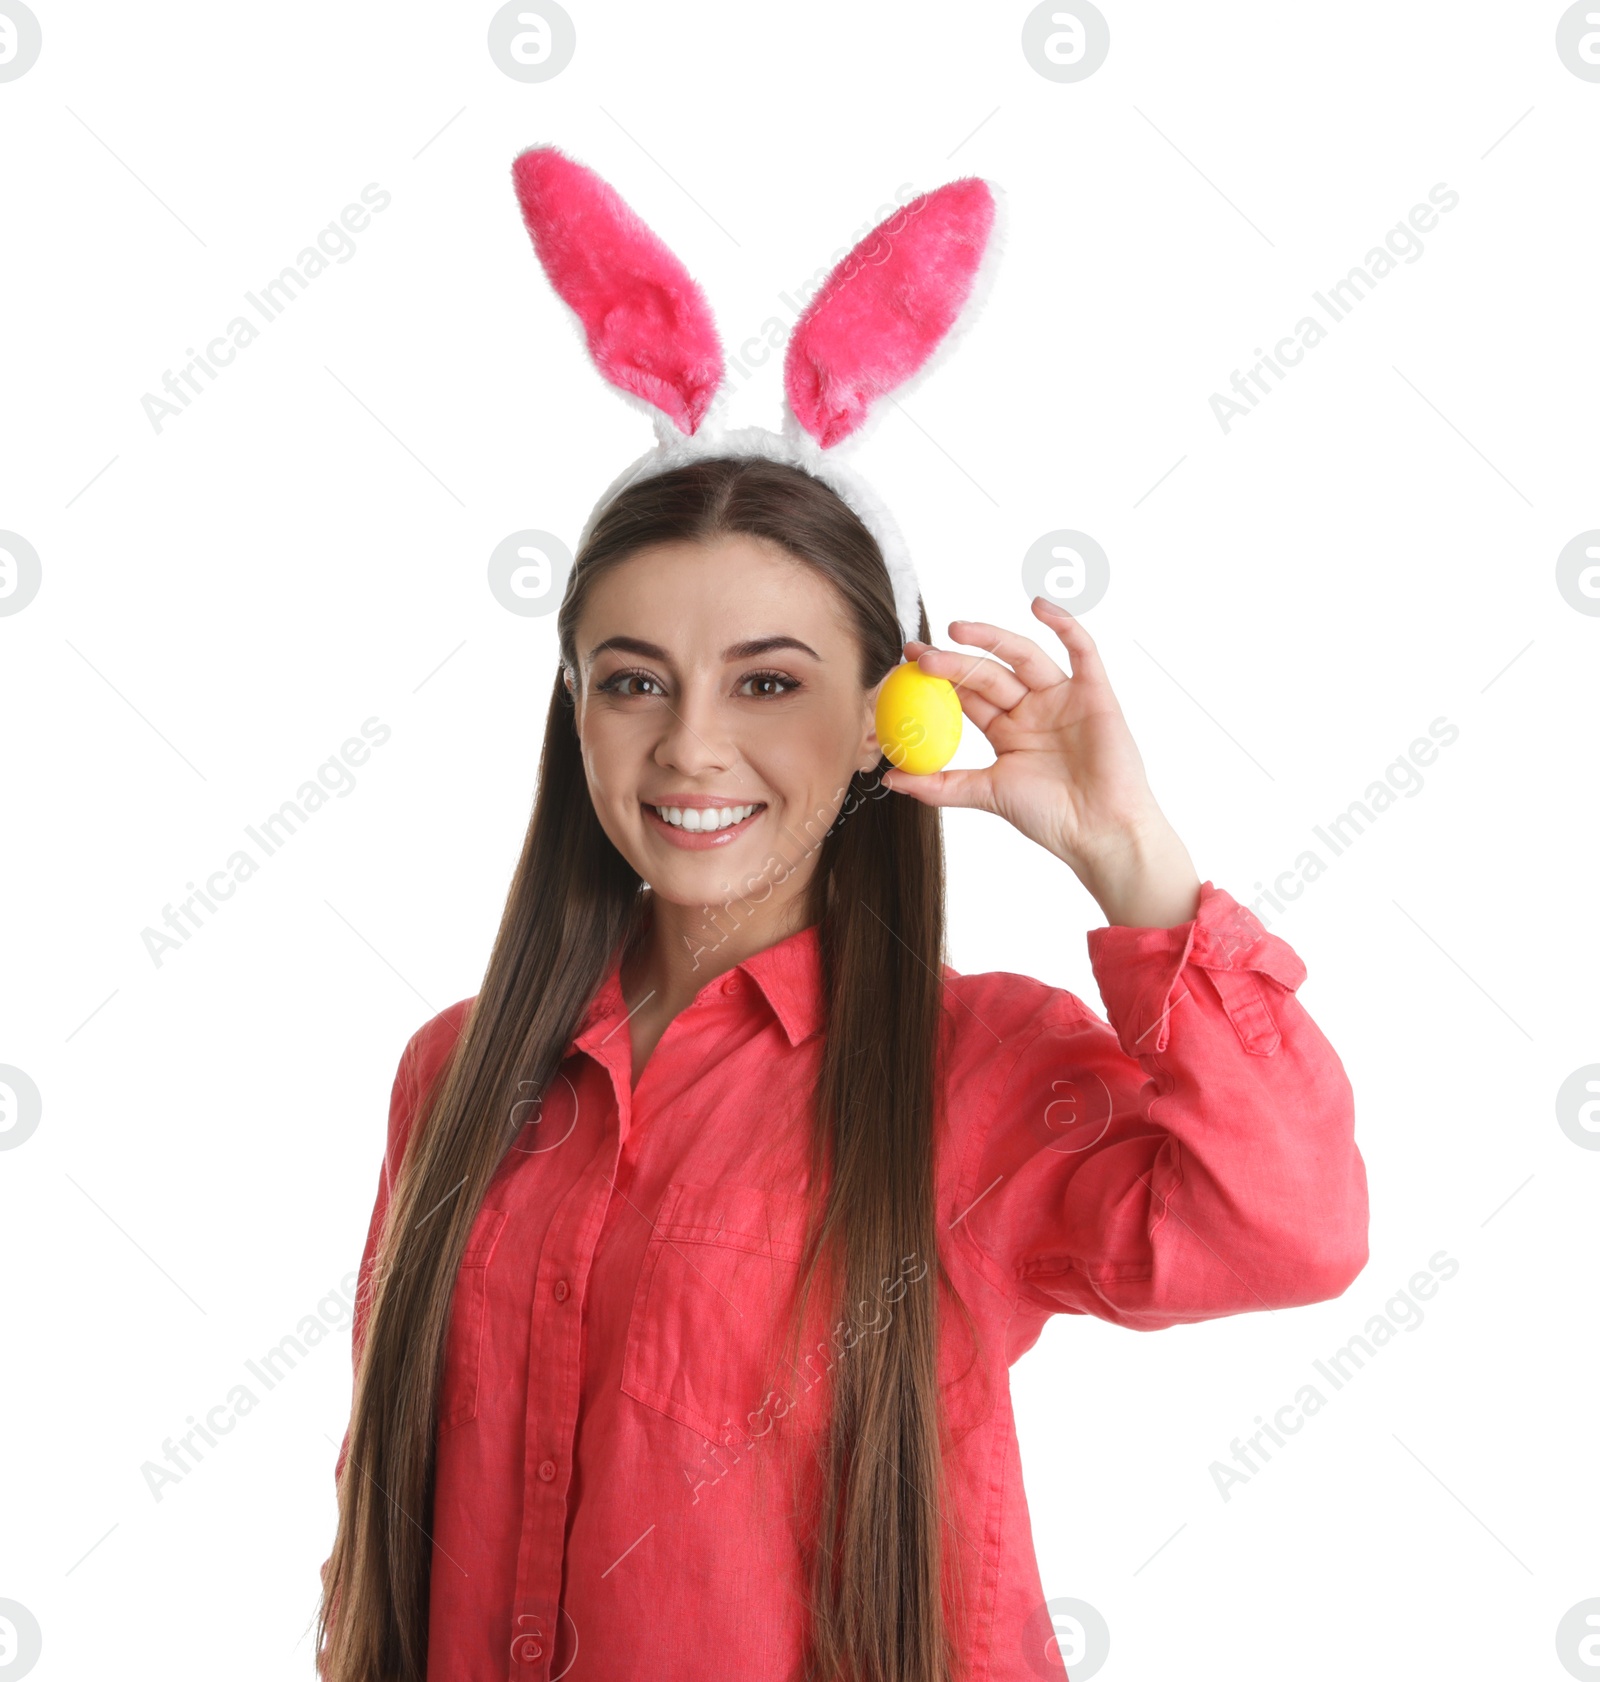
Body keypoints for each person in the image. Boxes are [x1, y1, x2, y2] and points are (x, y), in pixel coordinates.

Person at [315, 154, 1369, 1682]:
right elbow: (391, 1513)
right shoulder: (457, 1072)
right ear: (576, 709)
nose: (690, 747)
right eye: (633, 680)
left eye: (768, 680)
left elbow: (1291, 1230)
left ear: (890, 715)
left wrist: (1134, 859)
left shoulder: (973, 1071)